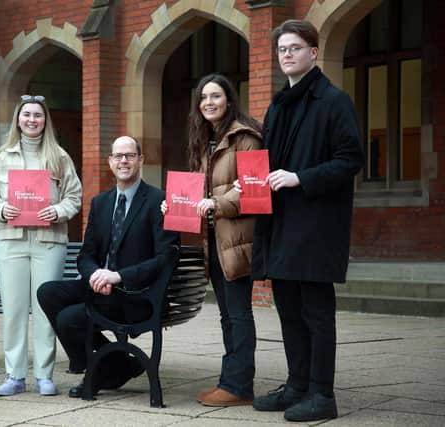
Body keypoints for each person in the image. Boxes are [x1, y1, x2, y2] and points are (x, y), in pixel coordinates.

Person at [246, 20, 364, 422]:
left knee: (316, 313)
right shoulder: (279, 103)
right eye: (282, 50)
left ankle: (322, 394)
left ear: (313, 52)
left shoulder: (334, 101)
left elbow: (351, 160)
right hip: (280, 224)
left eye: (295, 48)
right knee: (289, 311)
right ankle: (297, 385)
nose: (287, 55)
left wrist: (301, 177)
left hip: (315, 225)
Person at [37, 136, 179, 398]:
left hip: (136, 295)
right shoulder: (101, 203)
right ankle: (118, 364)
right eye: (118, 156)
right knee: (48, 292)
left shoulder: (158, 201)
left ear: (140, 160)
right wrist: (95, 276)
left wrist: (117, 276)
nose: (123, 160)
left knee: (69, 319)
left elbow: (165, 258)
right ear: (110, 162)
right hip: (101, 287)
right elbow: (86, 254)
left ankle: (99, 370)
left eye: (130, 155)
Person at [161, 74, 262, 406]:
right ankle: (231, 382)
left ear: (229, 100)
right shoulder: (206, 141)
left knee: (238, 313)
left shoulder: (246, 138)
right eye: (203, 97)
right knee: (227, 315)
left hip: (237, 241)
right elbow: (199, 194)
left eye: (215, 96)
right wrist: (174, 204)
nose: (208, 102)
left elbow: (254, 189)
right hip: (214, 243)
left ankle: (238, 386)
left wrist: (217, 204)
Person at [0, 95, 82, 396]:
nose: (32, 120)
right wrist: (1, 210)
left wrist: (58, 211)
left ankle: (44, 375)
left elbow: (74, 197)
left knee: (44, 310)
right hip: (11, 242)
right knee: (13, 310)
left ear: (45, 121)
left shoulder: (59, 157)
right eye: (26, 115)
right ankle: (14, 375)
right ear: (18, 119)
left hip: (49, 242)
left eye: (37, 115)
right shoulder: (2, 157)